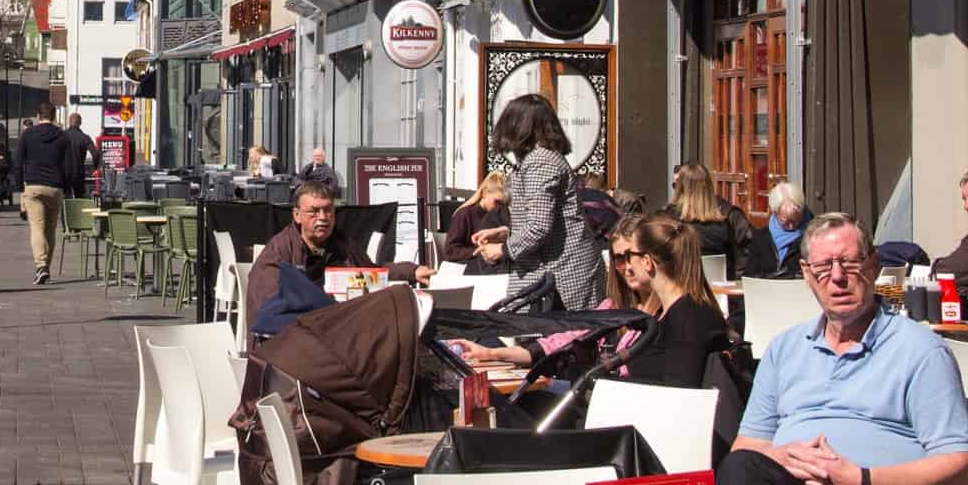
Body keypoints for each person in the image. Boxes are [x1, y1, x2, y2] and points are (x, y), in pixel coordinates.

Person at [717, 214, 968, 485]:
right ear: (807, 274)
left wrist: (861, 479)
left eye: (850, 263)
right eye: (824, 267)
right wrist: (787, 455)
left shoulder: (921, 350)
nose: (837, 277)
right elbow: (748, 447)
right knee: (740, 469)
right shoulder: (785, 348)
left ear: (873, 266)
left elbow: (958, 466)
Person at [449, 213, 729, 388]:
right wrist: (492, 354)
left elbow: (679, 393)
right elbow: (558, 343)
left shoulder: (684, 317)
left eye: (628, 256)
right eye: (618, 259)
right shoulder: (621, 309)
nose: (625, 267)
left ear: (647, 260)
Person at [245, 182, 431, 334]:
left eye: (328, 211)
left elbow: (371, 271)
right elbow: (269, 307)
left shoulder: (341, 243)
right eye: (314, 212)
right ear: (297, 215)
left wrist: (412, 271)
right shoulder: (279, 251)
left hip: (338, 325)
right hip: (291, 337)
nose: (323, 218)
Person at [492, 93, 605, 310]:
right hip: (554, 273)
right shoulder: (538, 160)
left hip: (561, 277)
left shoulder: (539, 162)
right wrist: (506, 232)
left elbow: (539, 226)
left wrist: (503, 249)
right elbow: (547, 221)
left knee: (555, 340)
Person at [12, 102, 79, 285]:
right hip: (55, 187)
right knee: (50, 229)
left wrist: (20, 187)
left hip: (33, 186)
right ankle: (45, 268)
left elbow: (18, 164)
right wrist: (65, 186)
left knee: (36, 227)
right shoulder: (63, 137)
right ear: (55, 116)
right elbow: (69, 166)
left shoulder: (27, 135)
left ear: (37, 115)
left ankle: (41, 266)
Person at [670, 162, 755, 280]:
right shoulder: (727, 219)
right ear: (709, 187)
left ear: (680, 188)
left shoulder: (667, 219)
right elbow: (747, 255)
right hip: (719, 291)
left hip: (678, 289)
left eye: (675, 185)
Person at [444, 172, 511, 270]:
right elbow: (450, 251)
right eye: (496, 202)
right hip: (466, 267)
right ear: (484, 193)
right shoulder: (464, 214)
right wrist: (481, 251)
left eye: (503, 204)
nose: (499, 207)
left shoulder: (499, 215)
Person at [746, 182, 812, 278]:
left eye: (796, 220)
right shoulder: (761, 238)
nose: (791, 226)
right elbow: (749, 275)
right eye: (785, 221)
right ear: (775, 212)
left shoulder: (813, 237)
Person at [62, 113, 97, 193]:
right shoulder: (84, 137)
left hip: (64, 173)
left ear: (69, 122)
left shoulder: (61, 135)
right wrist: (95, 167)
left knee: (64, 200)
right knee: (80, 199)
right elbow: (95, 153)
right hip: (79, 173)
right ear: (80, 123)